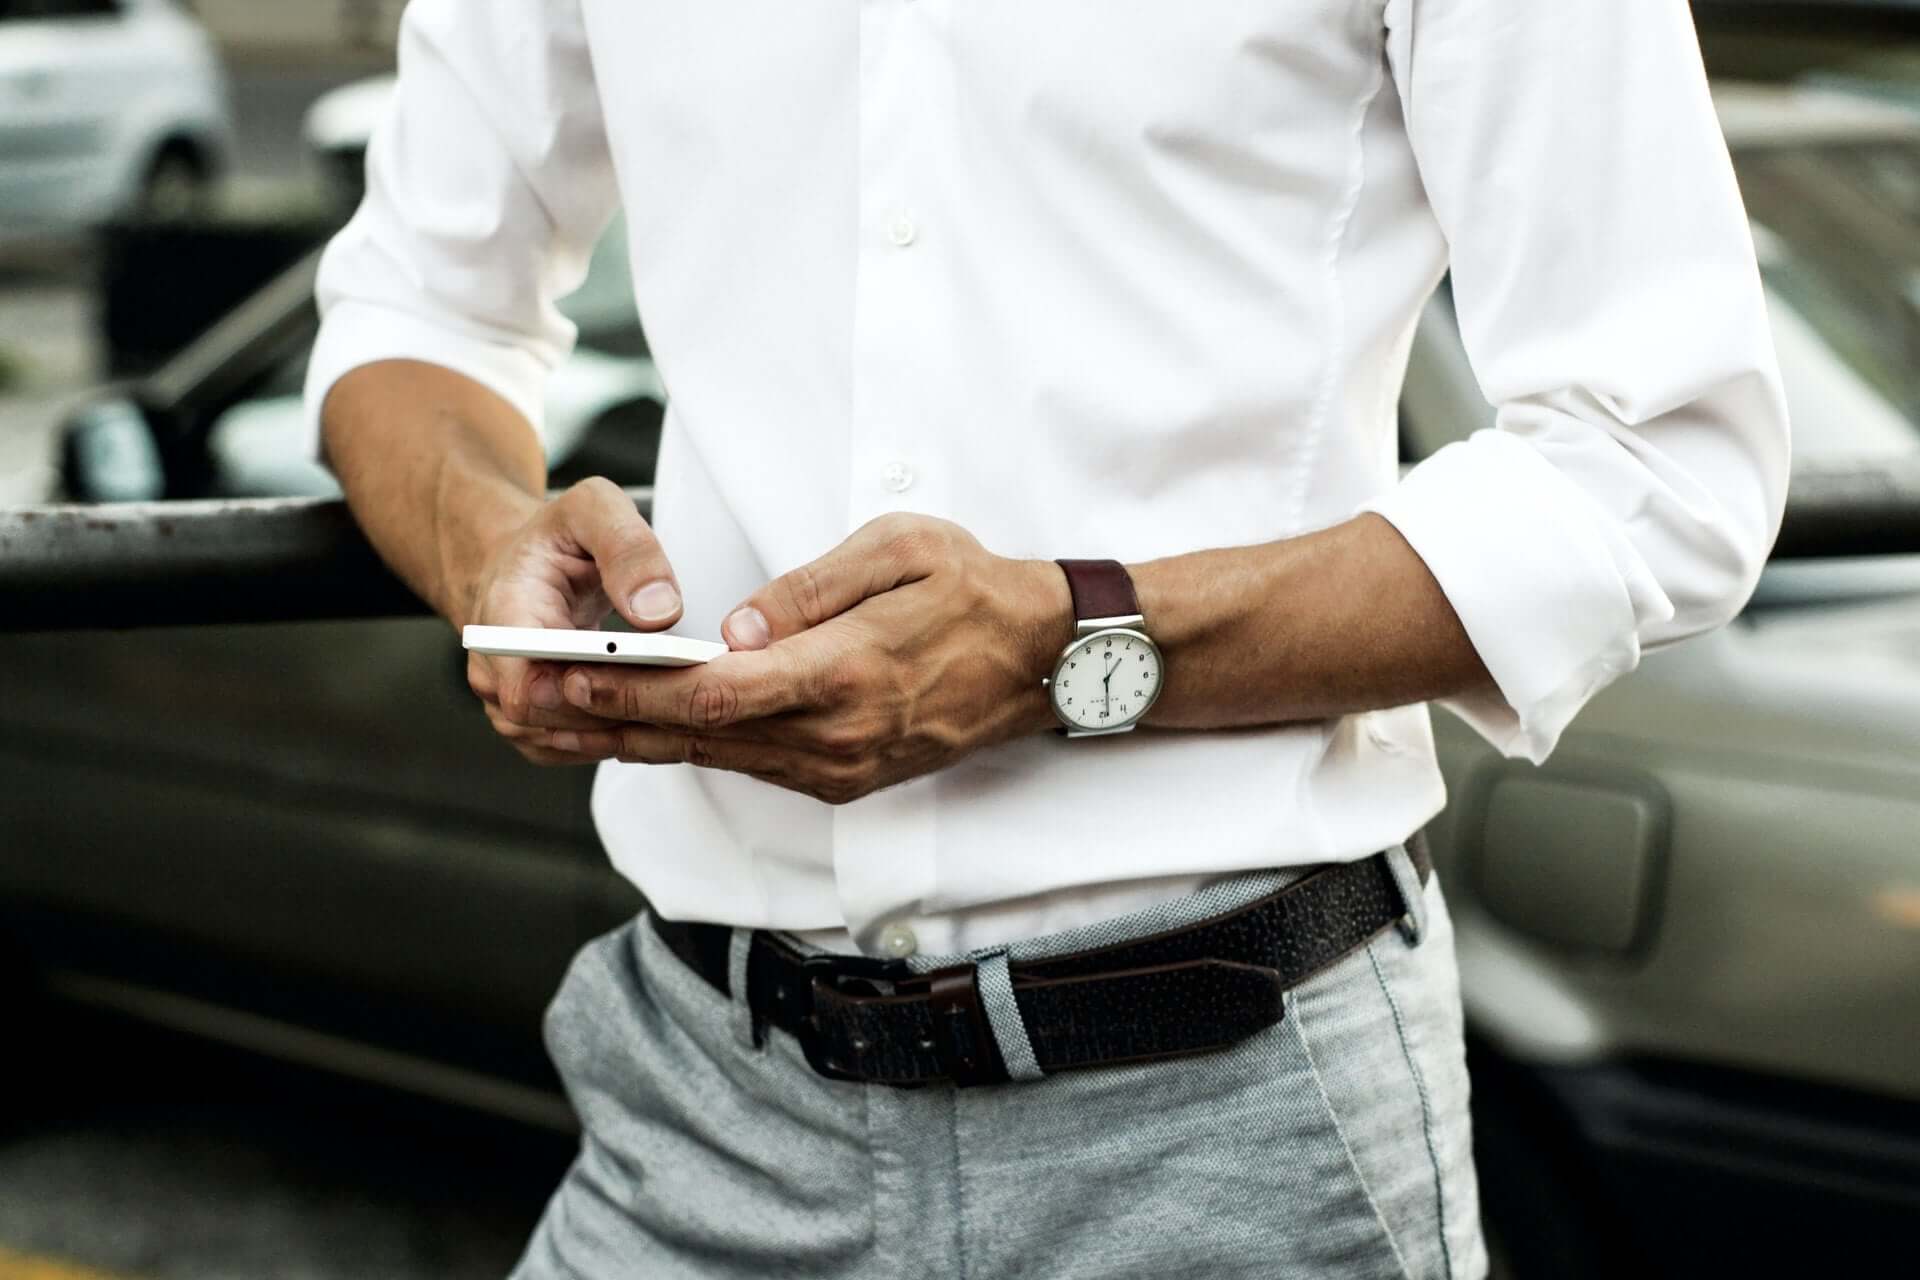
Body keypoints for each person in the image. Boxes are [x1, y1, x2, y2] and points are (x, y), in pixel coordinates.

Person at [306, 2, 1788, 1276]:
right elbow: (416, 304)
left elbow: (1660, 459)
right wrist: (484, 542)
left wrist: (1064, 649)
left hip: (1234, 1126)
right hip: (702, 1104)